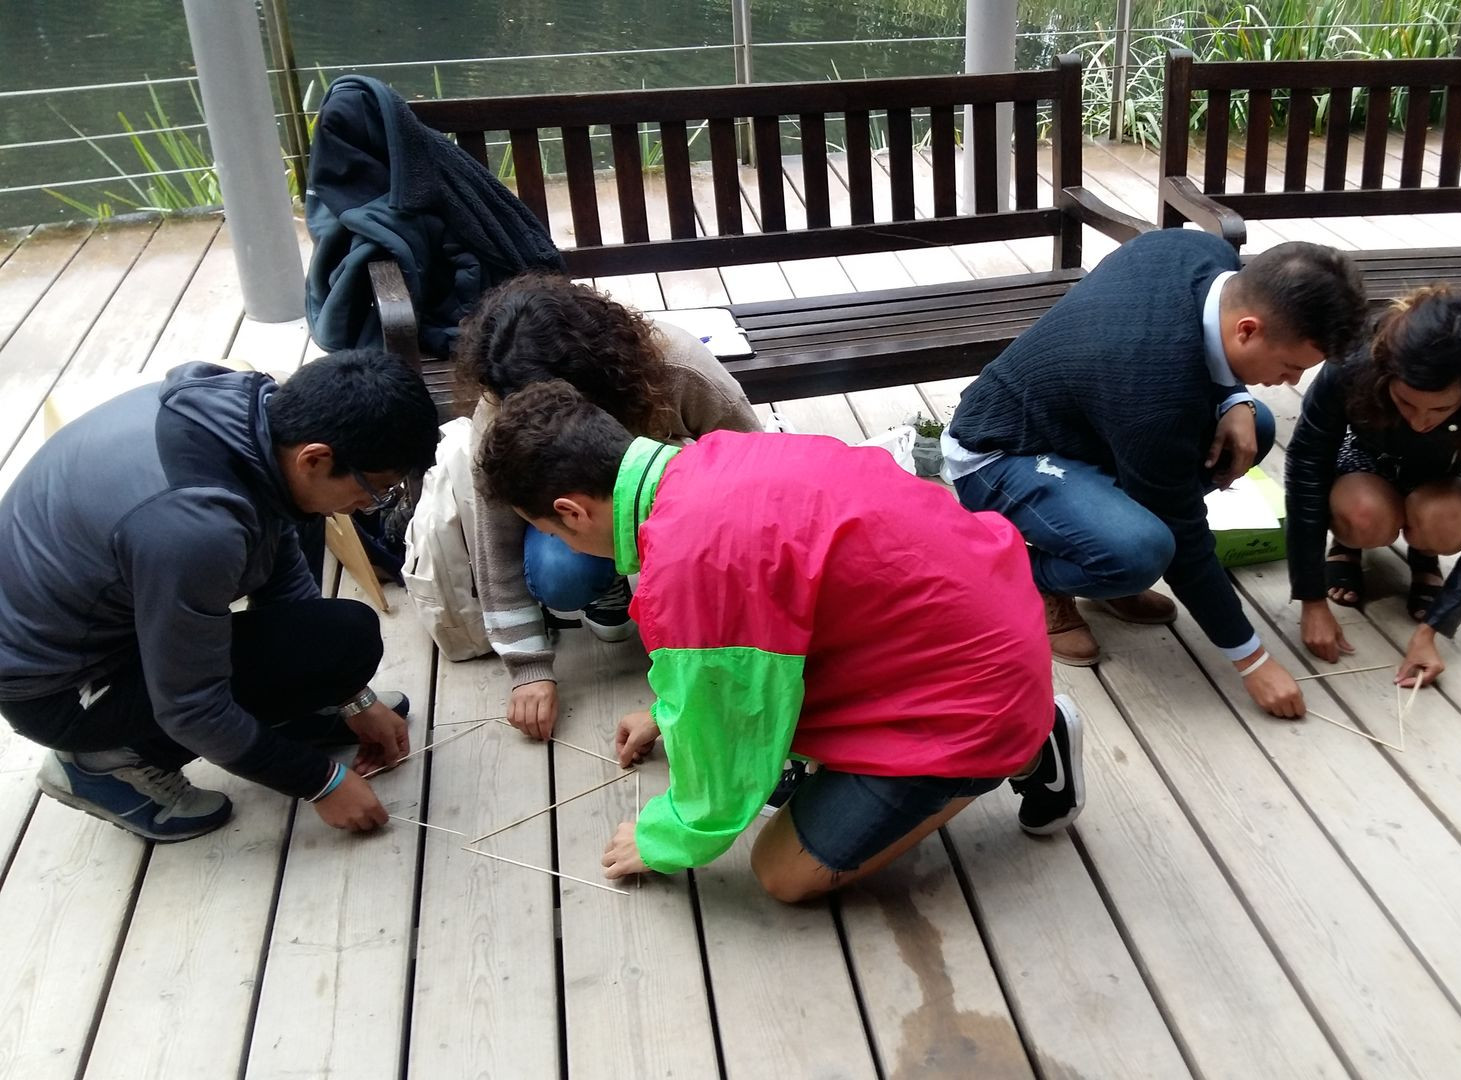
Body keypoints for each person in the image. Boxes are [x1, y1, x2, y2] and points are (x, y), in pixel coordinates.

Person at [475, 382, 1084, 902]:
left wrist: (662, 837)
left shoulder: (688, 564)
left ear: (571, 511)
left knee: (781, 872)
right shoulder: (711, 458)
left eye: (549, 532)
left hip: (976, 694)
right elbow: (744, 651)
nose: (564, 547)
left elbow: (718, 776)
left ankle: (1024, 744)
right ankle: (1011, 727)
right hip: (985, 619)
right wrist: (668, 711)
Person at [0, 352, 441, 842]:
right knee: (343, 634)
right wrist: (319, 781)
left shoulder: (253, 415)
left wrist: (346, 693)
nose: (372, 504)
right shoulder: (194, 528)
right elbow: (190, 705)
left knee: (336, 634)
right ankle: (101, 765)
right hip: (63, 688)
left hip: (116, 610)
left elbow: (282, 558)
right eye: (377, 489)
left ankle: (293, 710)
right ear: (315, 457)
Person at [945, 229, 1367, 719]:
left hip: (1090, 423)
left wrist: (1233, 398)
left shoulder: (1202, 252)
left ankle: (1099, 544)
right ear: (1247, 330)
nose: (1292, 382)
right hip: (1000, 451)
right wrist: (1252, 661)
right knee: (1144, 550)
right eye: (1292, 366)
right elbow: (1185, 536)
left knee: (1257, 423)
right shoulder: (1156, 391)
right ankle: (1040, 581)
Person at [454, 272, 760, 740]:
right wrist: (528, 666)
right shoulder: (499, 408)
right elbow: (494, 540)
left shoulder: (676, 366)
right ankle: (607, 583)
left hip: (682, 502)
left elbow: (757, 467)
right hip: (588, 515)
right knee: (561, 571)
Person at [1285, 286, 1461, 686]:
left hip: (1450, 471)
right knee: (1364, 516)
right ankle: (1347, 546)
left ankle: (1425, 556)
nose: (1420, 421)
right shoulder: (1352, 361)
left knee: (1446, 520)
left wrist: (1435, 627)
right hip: (1367, 458)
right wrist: (1310, 598)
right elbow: (1306, 465)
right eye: (1407, 403)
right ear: (1385, 375)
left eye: (1439, 408)